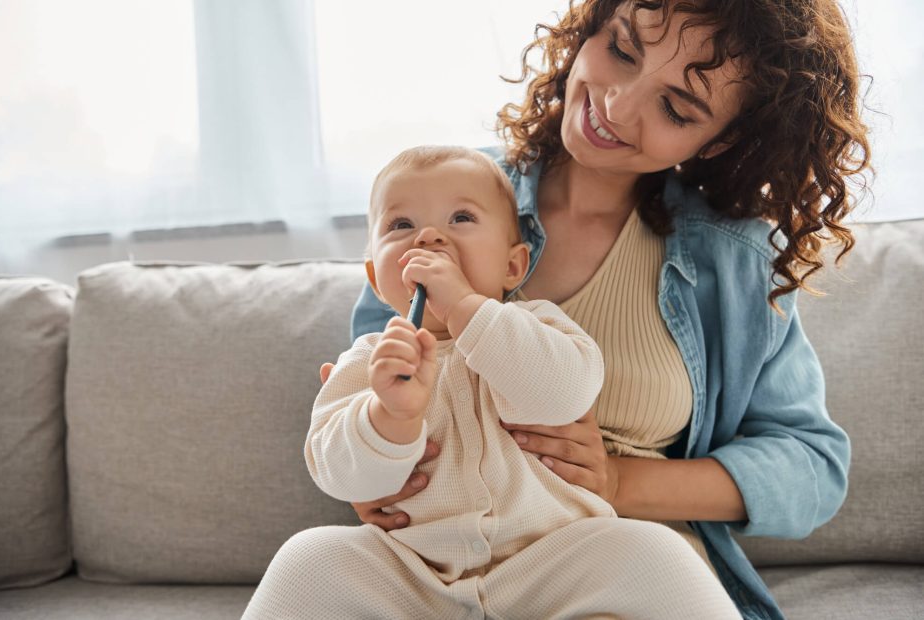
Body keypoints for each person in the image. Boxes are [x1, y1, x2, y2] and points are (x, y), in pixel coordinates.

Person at [253, 0, 869, 618]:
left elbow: (810, 468)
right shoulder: (434, 200)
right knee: (310, 560)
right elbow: (361, 405)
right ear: (590, 27)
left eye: (676, 107)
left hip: (600, 567)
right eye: (622, 50)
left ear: (723, 137)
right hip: (428, 564)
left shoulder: (735, 260)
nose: (617, 104)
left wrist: (621, 482)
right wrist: (371, 455)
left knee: (655, 560)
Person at [243, 145, 742, 619]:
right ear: (376, 279)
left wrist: (465, 308)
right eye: (401, 224)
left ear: (513, 265)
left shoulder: (540, 327)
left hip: (553, 558)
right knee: (308, 557)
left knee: (654, 551)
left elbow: (564, 394)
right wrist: (387, 417)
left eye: (460, 218)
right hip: (416, 569)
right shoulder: (368, 363)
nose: (429, 238)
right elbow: (339, 475)